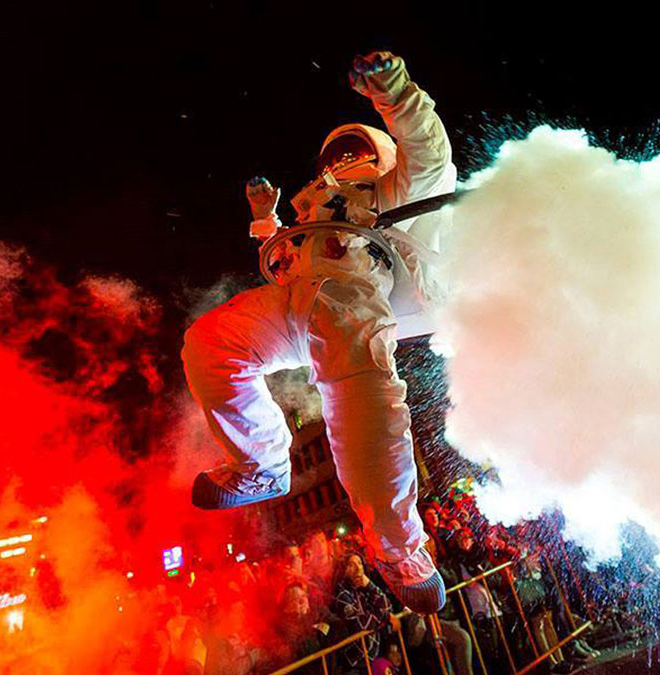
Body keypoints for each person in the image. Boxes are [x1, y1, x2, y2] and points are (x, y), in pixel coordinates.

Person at [182, 50, 456, 614]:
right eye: (338, 154)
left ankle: (401, 550)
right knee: (211, 342)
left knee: (364, 411)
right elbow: (290, 261)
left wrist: (396, 93)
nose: (346, 160)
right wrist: (268, 221)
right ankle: (261, 466)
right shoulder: (318, 210)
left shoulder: (390, 192)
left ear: (380, 155)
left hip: (363, 296)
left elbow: (428, 153)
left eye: (358, 151)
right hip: (304, 300)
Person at [331, 554, 400, 675]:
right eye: (352, 565)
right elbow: (362, 625)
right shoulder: (342, 595)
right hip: (354, 665)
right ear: (344, 570)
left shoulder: (364, 589)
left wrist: (370, 586)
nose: (358, 568)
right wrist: (386, 619)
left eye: (360, 563)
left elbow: (388, 606)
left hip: (372, 657)